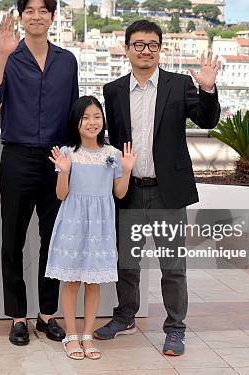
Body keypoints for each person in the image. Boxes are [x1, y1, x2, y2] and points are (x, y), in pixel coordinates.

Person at [94, 20, 221, 356]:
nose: (145, 50)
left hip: (168, 190)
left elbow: (207, 120)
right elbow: (112, 140)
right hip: (130, 189)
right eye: (138, 44)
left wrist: (207, 89)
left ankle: (175, 329)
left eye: (152, 44)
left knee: (172, 267)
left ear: (160, 49)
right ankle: (125, 317)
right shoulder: (114, 90)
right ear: (127, 49)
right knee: (127, 263)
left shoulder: (179, 85)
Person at [0, 0, 79, 346]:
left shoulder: (67, 61)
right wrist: (2, 56)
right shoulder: (8, 56)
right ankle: (18, 316)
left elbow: (73, 114)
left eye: (43, 11)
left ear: (52, 17)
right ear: (21, 17)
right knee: (13, 241)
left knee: (53, 241)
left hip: (56, 160)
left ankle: (46, 315)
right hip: (17, 158)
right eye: (30, 11)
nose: (37, 16)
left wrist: (74, 160)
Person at [45, 96, 135, 360]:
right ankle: (71, 336)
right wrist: (62, 171)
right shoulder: (67, 153)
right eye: (86, 117)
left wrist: (127, 170)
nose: (92, 122)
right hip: (73, 222)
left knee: (93, 282)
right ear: (76, 121)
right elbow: (61, 195)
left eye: (97, 116)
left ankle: (87, 335)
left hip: (101, 226)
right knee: (72, 280)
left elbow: (119, 193)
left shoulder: (113, 154)